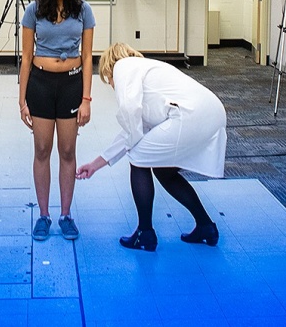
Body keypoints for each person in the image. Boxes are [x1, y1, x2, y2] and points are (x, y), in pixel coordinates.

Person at [75, 42, 226, 251]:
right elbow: (134, 130)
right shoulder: (147, 72)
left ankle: (145, 233)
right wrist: (95, 164)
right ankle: (205, 226)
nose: (111, 84)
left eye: (107, 80)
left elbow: (129, 110)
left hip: (189, 115)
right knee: (164, 171)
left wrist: (133, 142)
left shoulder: (122, 67)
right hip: (211, 112)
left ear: (109, 67)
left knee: (138, 159)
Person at [18, 0, 95, 241]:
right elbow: (26, 57)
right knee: (41, 150)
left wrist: (86, 99)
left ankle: (65, 214)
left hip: (71, 84)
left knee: (67, 151)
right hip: (40, 83)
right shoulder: (34, 10)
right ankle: (43, 215)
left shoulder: (84, 10)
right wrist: (22, 98)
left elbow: (87, 57)